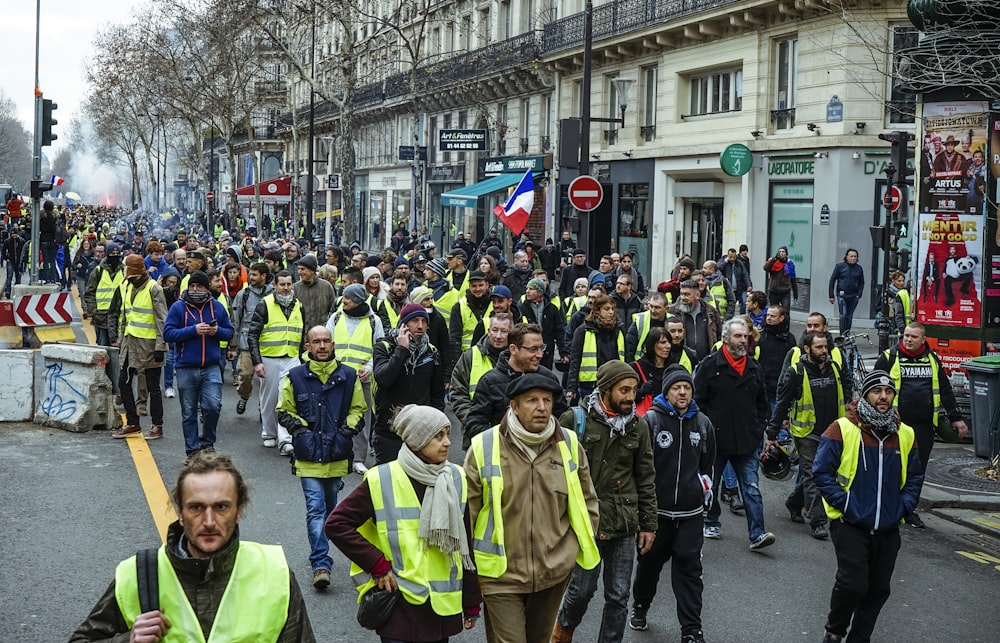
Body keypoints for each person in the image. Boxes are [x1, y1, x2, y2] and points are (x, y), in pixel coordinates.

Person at [69, 451, 316, 642]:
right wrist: (126, 640)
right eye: (196, 507)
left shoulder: (274, 572)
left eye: (221, 507)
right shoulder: (138, 574)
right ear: (179, 510)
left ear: (239, 510)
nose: (209, 522)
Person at [327, 405, 482, 641]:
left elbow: (464, 545)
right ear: (418, 440)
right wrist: (377, 565)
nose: (448, 443)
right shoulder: (382, 478)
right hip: (399, 601)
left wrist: (471, 601)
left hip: (440, 605)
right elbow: (337, 524)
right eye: (438, 436)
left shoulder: (456, 477)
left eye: (448, 435)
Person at [465, 373, 600, 643]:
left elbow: (587, 502)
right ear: (514, 406)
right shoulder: (484, 446)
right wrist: (469, 574)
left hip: (552, 572)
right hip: (499, 574)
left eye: (547, 400)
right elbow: (467, 513)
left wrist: (568, 551)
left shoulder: (569, 444)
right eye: (532, 400)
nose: (541, 407)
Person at [814, 371, 923, 643]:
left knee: (877, 590)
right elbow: (822, 473)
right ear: (865, 395)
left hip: (888, 526)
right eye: (876, 392)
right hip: (850, 522)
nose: (883, 397)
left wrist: (904, 507)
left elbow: (915, 477)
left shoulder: (905, 434)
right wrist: (845, 503)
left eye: (888, 392)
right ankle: (835, 631)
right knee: (853, 583)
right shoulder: (841, 428)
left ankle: (860, 638)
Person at [553, 361, 657, 643]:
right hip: (584, 521)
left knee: (619, 597)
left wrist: (648, 525)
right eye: (624, 390)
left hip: (623, 524)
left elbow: (646, 476)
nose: (630, 397)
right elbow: (553, 471)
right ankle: (563, 628)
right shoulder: (574, 420)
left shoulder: (639, 427)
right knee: (582, 590)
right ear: (605, 390)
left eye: (634, 390)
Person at [628, 366, 714, 641]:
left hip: (690, 514)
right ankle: (640, 606)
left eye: (686, 388)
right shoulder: (651, 421)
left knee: (689, 571)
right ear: (667, 391)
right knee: (649, 566)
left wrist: (703, 493)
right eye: (676, 387)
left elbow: (707, 465)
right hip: (657, 515)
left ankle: (692, 630)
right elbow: (638, 469)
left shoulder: (702, 423)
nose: (682, 392)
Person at [276, 325, 367, 590]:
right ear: (308, 347)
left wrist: (346, 431)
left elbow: (358, 408)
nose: (323, 346)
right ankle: (320, 563)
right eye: (317, 342)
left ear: (333, 344)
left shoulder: (348, 376)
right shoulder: (295, 376)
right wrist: (302, 433)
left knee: (330, 510)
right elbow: (283, 410)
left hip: (336, 455)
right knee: (315, 509)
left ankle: (321, 553)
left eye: (327, 341)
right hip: (308, 456)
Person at [874, 322, 969, 528]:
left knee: (916, 471)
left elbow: (945, 390)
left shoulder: (933, 360)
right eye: (906, 335)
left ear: (923, 340)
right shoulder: (889, 358)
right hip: (895, 427)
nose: (908, 339)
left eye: (913, 337)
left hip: (924, 427)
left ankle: (909, 510)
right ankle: (887, 507)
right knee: (893, 468)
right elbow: (872, 390)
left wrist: (956, 418)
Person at [694, 318, 775, 550]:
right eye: (738, 336)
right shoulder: (710, 366)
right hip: (716, 442)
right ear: (726, 339)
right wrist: (704, 431)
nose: (743, 340)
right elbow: (697, 402)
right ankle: (711, 522)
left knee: (751, 488)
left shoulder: (753, 367)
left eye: (745, 336)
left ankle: (757, 534)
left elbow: (762, 404)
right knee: (713, 485)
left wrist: (759, 428)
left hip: (747, 442)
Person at [766, 331, 847, 539]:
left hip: (832, 432)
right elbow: (782, 403)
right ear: (807, 349)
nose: (824, 351)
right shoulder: (796, 372)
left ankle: (794, 502)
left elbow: (846, 395)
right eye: (819, 347)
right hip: (806, 433)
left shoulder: (835, 369)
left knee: (823, 472)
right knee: (812, 475)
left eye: (825, 347)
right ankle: (818, 522)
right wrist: (772, 433)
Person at [163, 270, 235, 458]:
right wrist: (193, 330)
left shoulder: (217, 307)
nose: (195, 289)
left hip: (211, 366)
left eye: (199, 286)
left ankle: (208, 443)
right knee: (188, 412)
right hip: (186, 367)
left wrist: (217, 331)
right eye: (192, 286)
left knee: (213, 406)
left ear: (206, 288)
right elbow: (168, 334)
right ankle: (192, 451)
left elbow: (229, 332)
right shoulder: (178, 308)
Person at [464, 322, 568, 442]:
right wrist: (507, 440)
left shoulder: (549, 379)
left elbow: (563, 420)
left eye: (541, 348)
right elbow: (474, 426)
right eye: (533, 349)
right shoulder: (490, 382)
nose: (540, 355)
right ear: (513, 349)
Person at [372, 303, 446, 463]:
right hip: (389, 430)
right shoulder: (384, 347)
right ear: (403, 324)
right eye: (415, 321)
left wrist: (435, 423)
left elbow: (437, 393)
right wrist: (402, 350)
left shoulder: (431, 352)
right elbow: (384, 379)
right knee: (389, 481)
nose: (420, 326)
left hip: (420, 430)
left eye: (424, 321)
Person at [327, 283, 385, 474]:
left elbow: (379, 350)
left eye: (348, 298)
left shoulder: (374, 321)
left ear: (358, 301)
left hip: (362, 379)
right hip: (337, 377)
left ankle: (358, 458)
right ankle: (335, 453)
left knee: (362, 419)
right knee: (334, 416)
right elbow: (328, 345)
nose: (344, 301)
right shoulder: (335, 318)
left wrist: (369, 368)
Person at [109, 255, 168, 440]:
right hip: (129, 342)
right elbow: (126, 315)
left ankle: (157, 425)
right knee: (123, 382)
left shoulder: (154, 289)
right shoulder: (127, 286)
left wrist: (161, 346)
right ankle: (133, 423)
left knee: (153, 386)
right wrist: (120, 338)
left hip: (149, 345)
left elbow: (162, 320)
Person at [248, 270, 305, 455]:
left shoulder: (298, 306)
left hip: (292, 358)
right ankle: (269, 433)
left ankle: (285, 439)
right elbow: (253, 334)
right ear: (275, 285)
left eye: (289, 284)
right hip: (269, 358)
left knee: (287, 399)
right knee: (269, 399)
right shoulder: (265, 305)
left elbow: (302, 333)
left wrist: (302, 358)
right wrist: (257, 362)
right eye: (282, 284)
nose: (286, 288)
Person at [451, 313, 514, 433]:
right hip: (476, 433)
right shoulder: (470, 356)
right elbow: (457, 392)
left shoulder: (518, 357)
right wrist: (472, 421)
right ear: (489, 331)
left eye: (504, 331)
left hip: (512, 433)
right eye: (495, 330)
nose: (498, 336)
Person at [230, 262, 273, 415]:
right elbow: (236, 320)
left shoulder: (273, 294)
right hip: (247, 343)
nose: (251, 277)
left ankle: (263, 409)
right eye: (251, 274)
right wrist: (233, 345)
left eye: (255, 275)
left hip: (267, 343)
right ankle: (244, 396)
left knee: (267, 380)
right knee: (246, 375)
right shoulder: (244, 294)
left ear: (264, 276)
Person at [568, 294, 626, 402]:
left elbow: (626, 357)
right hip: (589, 385)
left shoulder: (619, 329)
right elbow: (575, 360)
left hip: (614, 382)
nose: (611, 312)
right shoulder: (583, 330)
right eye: (606, 309)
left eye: (613, 309)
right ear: (597, 311)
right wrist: (572, 387)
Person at [516, 277, 567, 371]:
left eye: (531, 289)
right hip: (528, 352)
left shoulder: (552, 309)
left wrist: (563, 353)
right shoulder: (521, 308)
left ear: (539, 292)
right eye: (527, 288)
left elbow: (559, 331)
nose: (527, 291)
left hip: (547, 353)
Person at [668, 279, 722, 363]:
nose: (683, 298)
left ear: (697, 295)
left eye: (687, 294)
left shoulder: (710, 312)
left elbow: (719, 335)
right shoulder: (672, 312)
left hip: (707, 362)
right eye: (681, 294)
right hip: (681, 362)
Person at [757, 305, 798, 413]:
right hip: (762, 384)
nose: (769, 318)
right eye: (768, 315)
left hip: (779, 387)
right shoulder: (760, 335)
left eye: (773, 316)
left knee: (776, 418)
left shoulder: (789, 339)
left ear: (781, 318)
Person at [84, 242, 124, 346]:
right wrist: (94, 312)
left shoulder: (124, 271)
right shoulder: (98, 271)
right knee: (103, 349)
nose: (114, 257)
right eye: (112, 254)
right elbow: (89, 292)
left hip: (119, 317)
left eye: (117, 255)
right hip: (101, 318)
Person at [630, 327, 672, 414]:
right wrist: (641, 392)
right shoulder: (636, 368)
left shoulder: (673, 368)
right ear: (652, 344)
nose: (668, 346)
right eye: (663, 342)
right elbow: (626, 398)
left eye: (669, 342)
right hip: (646, 418)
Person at [292, 253, 336, 331]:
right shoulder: (295, 288)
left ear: (312, 270)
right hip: (301, 334)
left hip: (322, 333)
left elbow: (332, 310)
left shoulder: (326, 287)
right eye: (298, 269)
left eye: (302, 269)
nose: (299, 272)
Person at [828, 248, 865, 335]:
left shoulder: (859, 268)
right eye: (851, 256)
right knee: (843, 315)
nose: (853, 258)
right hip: (842, 295)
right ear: (846, 257)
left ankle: (847, 333)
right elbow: (832, 280)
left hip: (854, 296)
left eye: (855, 256)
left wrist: (859, 294)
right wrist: (831, 295)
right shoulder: (840, 266)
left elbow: (862, 282)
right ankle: (842, 334)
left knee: (849, 316)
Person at [627, 291, 668, 361]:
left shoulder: (672, 322)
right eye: (651, 306)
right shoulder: (639, 320)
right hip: (641, 365)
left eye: (657, 307)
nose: (653, 310)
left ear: (666, 309)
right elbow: (629, 348)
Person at [763, 246, 798, 313]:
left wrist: (795, 293)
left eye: (783, 252)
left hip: (785, 292)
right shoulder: (773, 262)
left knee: (785, 312)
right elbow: (766, 268)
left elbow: (793, 279)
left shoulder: (790, 264)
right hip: (774, 291)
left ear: (786, 254)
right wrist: (774, 259)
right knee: (773, 312)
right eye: (780, 252)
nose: (781, 253)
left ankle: (786, 323)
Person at [718, 248, 752, 314]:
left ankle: (742, 317)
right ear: (727, 255)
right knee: (731, 305)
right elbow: (717, 269)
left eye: (734, 257)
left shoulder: (739, 263)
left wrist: (749, 284)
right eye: (731, 257)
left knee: (744, 302)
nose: (732, 259)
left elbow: (745, 274)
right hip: (729, 288)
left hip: (740, 287)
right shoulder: (723, 261)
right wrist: (725, 262)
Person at [2, 227, 26, 298]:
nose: (13, 235)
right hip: (11, 261)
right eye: (12, 234)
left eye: (15, 234)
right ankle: (8, 292)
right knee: (9, 277)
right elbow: (3, 251)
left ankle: (17, 293)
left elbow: (24, 252)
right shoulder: (7, 241)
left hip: (19, 262)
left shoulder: (22, 241)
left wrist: (23, 263)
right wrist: (6, 258)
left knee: (18, 277)